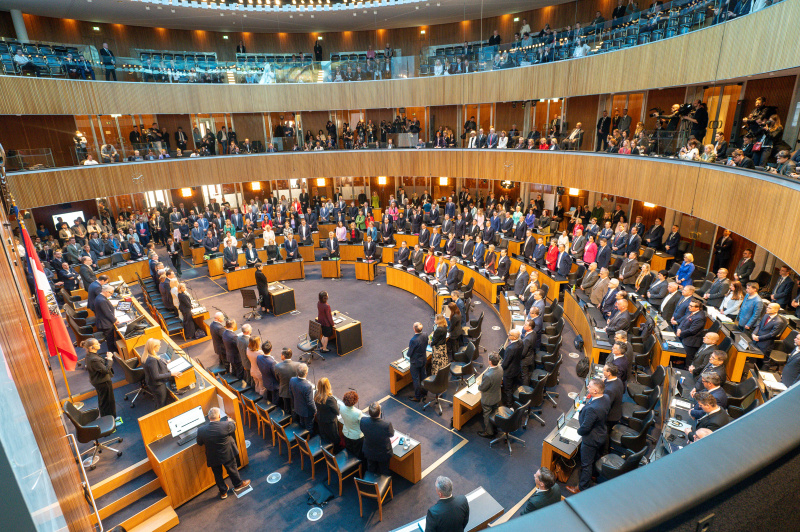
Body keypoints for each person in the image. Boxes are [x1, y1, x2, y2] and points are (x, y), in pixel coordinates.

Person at [196, 407, 251, 500]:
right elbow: (233, 427)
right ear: (219, 416)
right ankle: (238, 485)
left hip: (213, 456)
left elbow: (199, 443)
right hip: (227, 453)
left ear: (209, 417)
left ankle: (223, 492)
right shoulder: (226, 425)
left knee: (217, 475)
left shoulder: (201, 430)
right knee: (232, 469)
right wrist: (230, 421)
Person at [567, 378, 610, 494]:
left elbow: (585, 428)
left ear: (595, 391)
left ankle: (581, 488)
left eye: (589, 386)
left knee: (586, 464)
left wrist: (578, 431)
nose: (587, 387)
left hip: (591, 440)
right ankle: (594, 475)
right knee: (595, 457)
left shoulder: (592, 409)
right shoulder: (606, 397)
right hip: (601, 434)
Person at [83, 338, 119, 423]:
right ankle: (111, 421)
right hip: (103, 382)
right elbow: (106, 370)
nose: (99, 344)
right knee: (108, 402)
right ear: (91, 347)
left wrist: (106, 360)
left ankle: (109, 419)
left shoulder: (90, 356)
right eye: (97, 343)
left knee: (104, 402)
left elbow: (101, 367)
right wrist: (109, 359)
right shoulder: (93, 359)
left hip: (100, 382)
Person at [142, 338, 179, 408]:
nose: (160, 347)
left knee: (157, 400)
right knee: (162, 403)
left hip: (150, 383)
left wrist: (164, 362)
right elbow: (156, 376)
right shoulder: (152, 360)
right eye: (158, 346)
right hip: (157, 386)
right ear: (154, 347)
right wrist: (171, 374)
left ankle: (157, 408)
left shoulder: (145, 355)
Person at [360, 402, 394, 474]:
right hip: (383, 454)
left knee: (371, 468)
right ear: (380, 413)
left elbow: (362, 430)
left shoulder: (363, 421)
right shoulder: (386, 425)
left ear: (369, 413)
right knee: (384, 470)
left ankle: (371, 479)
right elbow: (391, 434)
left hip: (369, 452)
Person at [477, 352, 503, 438]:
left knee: (487, 415)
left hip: (488, 400)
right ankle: (495, 427)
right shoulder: (500, 368)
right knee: (495, 412)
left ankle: (489, 432)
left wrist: (479, 385)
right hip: (497, 396)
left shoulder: (488, 376)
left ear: (490, 362)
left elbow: (482, 388)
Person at [314, 378, 341, 452]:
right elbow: (337, 412)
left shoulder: (316, 394)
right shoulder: (330, 399)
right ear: (328, 386)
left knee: (324, 437)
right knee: (335, 439)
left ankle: (326, 451)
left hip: (320, 420)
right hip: (330, 423)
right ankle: (334, 453)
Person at [407, 322, 429, 402]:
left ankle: (417, 396)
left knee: (416, 379)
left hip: (415, 362)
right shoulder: (425, 335)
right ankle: (425, 391)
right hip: (423, 359)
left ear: (414, 329)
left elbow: (409, 354)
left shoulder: (413, 340)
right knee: (424, 375)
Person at [340, 390, 364, 457]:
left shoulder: (341, 407)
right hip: (356, 437)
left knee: (349, 451)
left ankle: (349, 461)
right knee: (358, 454)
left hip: (346, 433)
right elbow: (361, 424)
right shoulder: (358, 412)